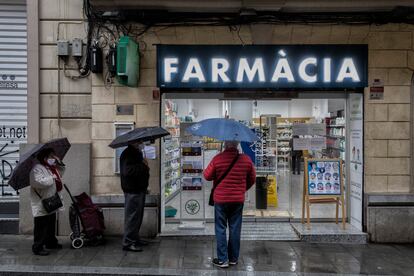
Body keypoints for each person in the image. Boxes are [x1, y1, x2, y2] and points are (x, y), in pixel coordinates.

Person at [204, 141, 256, 268]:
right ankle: (233, 258)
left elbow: (207, 176)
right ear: (237, 145)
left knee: (220, 228)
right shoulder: (246, 159)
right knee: (235, 228)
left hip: (221, 200)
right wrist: (241, 190)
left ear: (226, 145)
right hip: (237, 200)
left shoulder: (218, 158)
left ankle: (223, 259)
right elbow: (252, 178)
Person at [30, 148, 65, 256]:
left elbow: (60, 174)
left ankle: (51, 242)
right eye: (51, 156)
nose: (53, 158)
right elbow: (37, 182)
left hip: (51, 200)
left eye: (53, 156)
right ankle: (38, 247)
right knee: (41, 226)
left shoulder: (50, 168)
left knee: (51, 223)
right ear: (44, 157)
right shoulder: (37, 169)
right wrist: (52, 177)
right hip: (41, 202)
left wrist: (60, 163)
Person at [120, 142, 150, 252]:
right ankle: (128, 242)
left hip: (138, 189)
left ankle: (135, 238)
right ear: (133, 143)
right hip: (133, 190)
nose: (141, 144)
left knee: (137, 217)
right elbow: (127, 171)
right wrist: (143, 165)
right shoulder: (128, 154)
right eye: (139, 142)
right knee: (132, 217)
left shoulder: (136, 153)